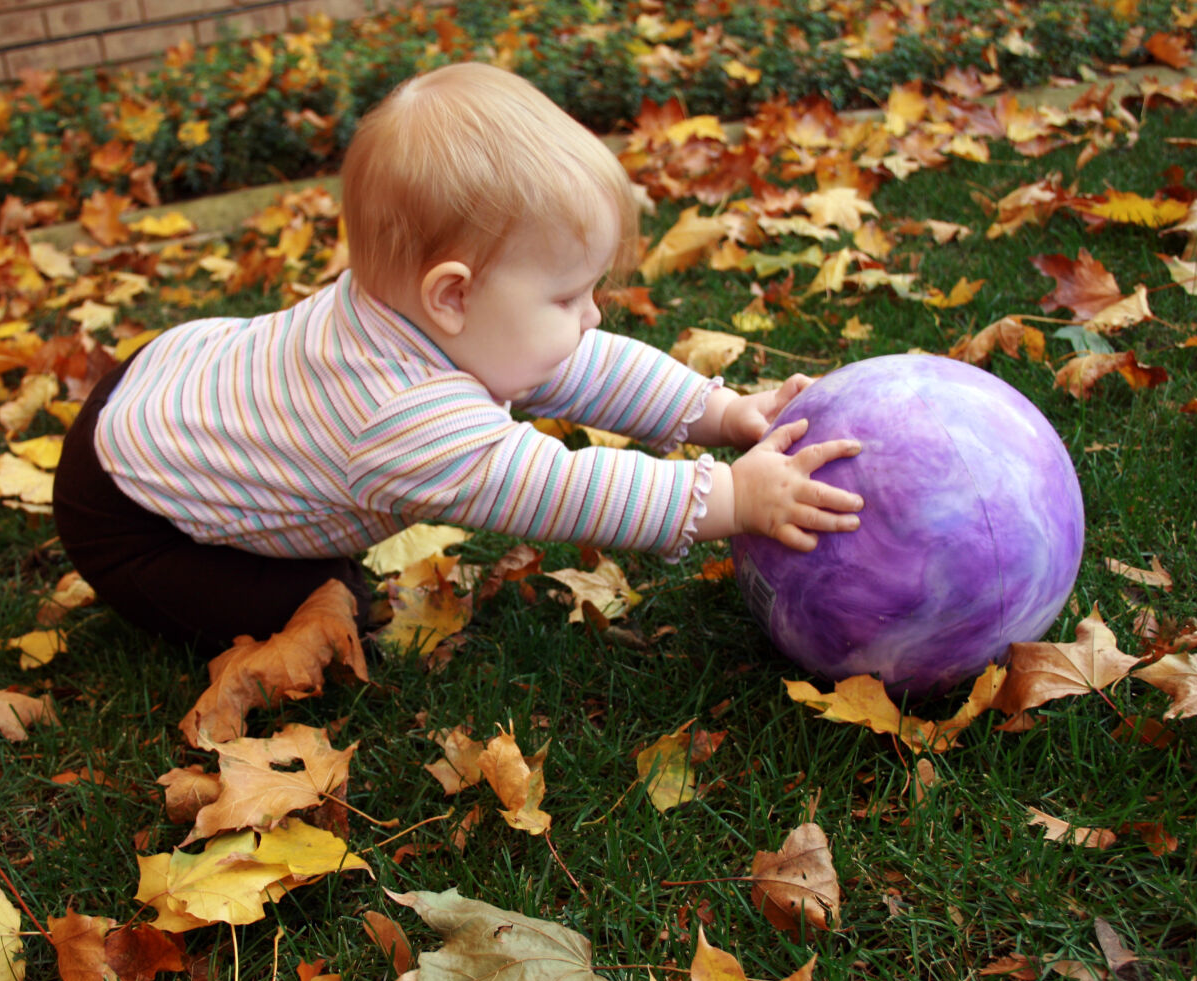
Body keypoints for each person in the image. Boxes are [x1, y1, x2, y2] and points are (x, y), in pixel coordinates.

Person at [52, 62, 864, 655]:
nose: (592, 314)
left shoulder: (446, 317)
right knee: (325, 595)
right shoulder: (407, 416)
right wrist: (731, 497)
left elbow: (588, 364)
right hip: (135, 515)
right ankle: (266, 574)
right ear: (452, 294)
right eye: (567, 296)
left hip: (174, 377)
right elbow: (560, 488)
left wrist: (720, 413)